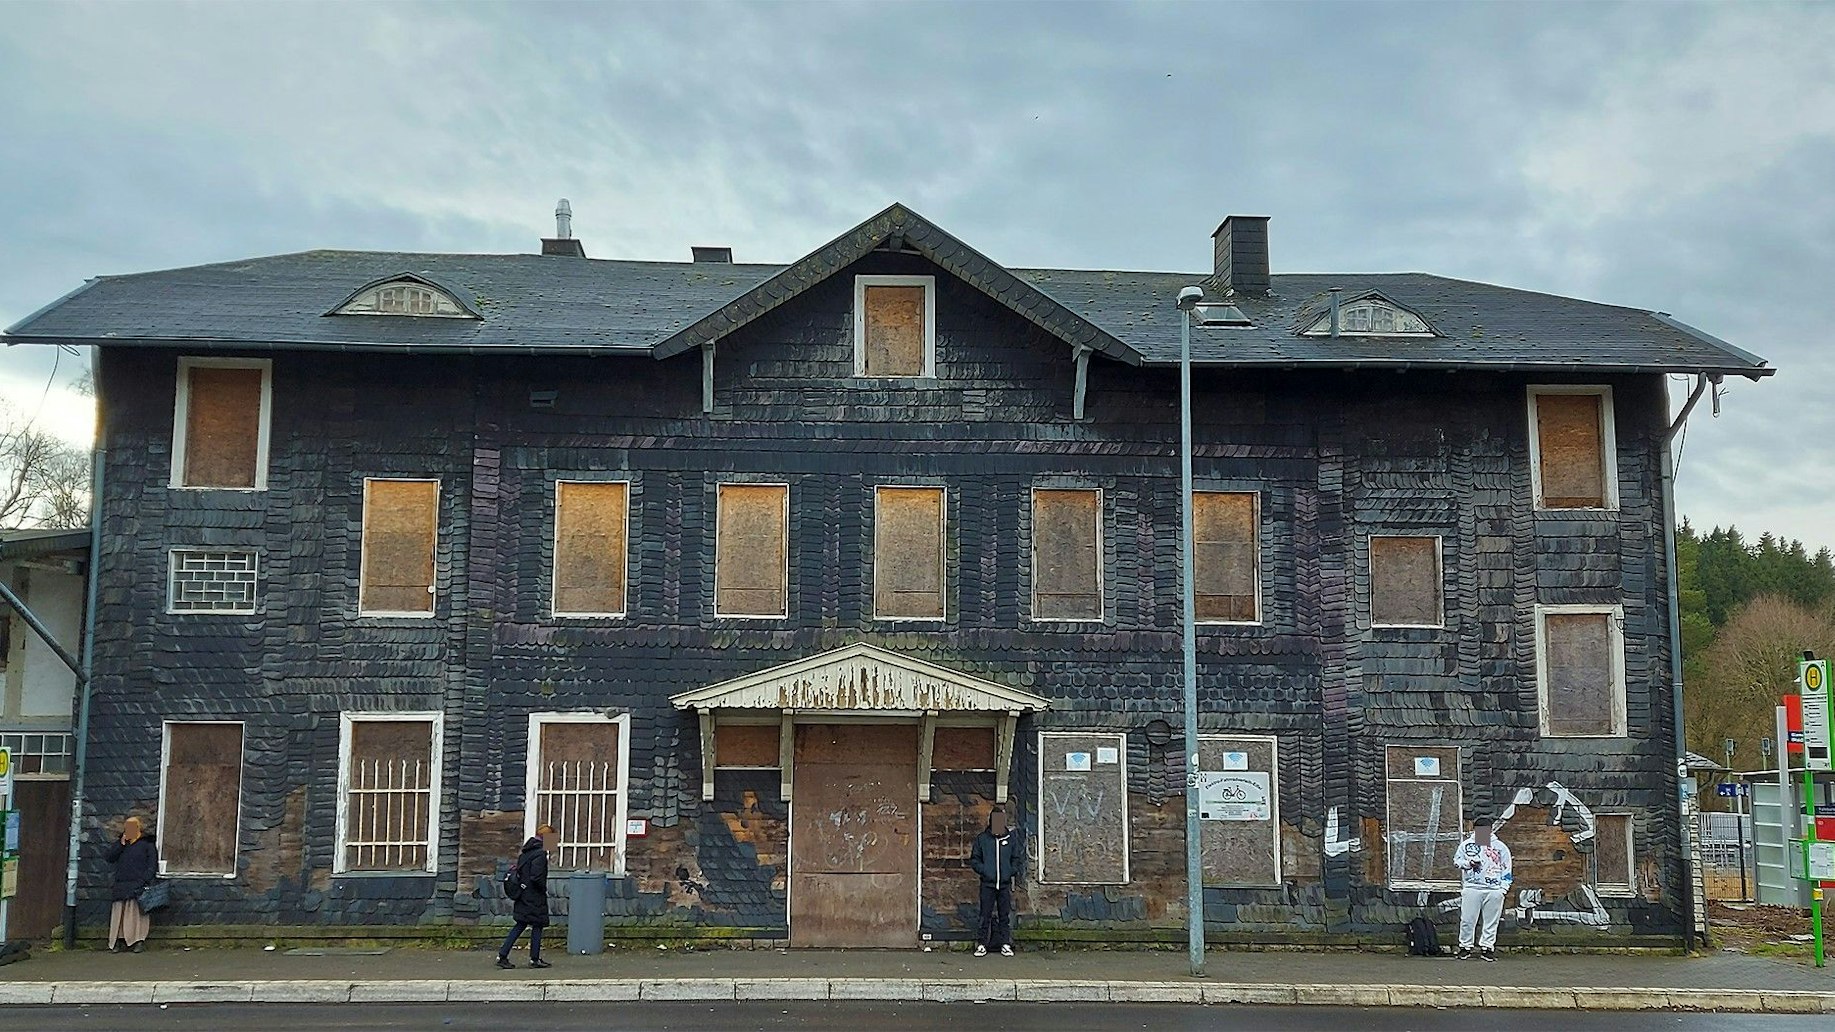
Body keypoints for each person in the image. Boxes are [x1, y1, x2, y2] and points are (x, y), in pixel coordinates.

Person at [497, 824, 556, 970]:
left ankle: (503, 955)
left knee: (521, 924)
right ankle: (533, 959)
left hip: (523, 894)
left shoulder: (526, 852)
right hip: (534, 896)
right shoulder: (540, 854)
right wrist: (543, 889)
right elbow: (537, 877)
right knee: (537, 925)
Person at [1454, 817, 1513, 962]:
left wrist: (1503, 889)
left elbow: (1507, 867)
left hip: (1494, 889)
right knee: (1468, 919)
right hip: (1472, 887)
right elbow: (1457, 861)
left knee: (1491, 920)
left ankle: (1487, 947)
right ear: (1475, 830)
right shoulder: (1466, 845)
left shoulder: (1500, 847)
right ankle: (1465, 946)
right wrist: (1468, 863)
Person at [968, 806, 1023, 957]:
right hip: (988, 884)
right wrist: (985, 871)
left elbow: (1016, 859)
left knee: (1004, 915)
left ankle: (1005, 943)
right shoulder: (982, 839)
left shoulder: (1010, 839)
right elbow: (975, 859)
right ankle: (982, 944)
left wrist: (1009, 872)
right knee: (984, 914)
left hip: (1004, 884)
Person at [104, 816, 159, 953]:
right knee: (120, 915)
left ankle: (138, 940)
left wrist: (143, 880)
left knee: (136, 915)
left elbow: (151, 866)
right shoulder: (122, 844)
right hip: (122, 884)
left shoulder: (147, 845)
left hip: (138, 885)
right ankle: (119, 940)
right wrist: (120, 844)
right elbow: (109, 857)